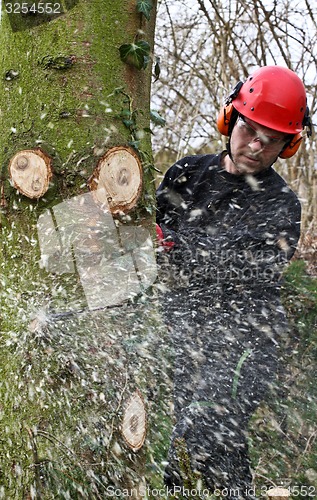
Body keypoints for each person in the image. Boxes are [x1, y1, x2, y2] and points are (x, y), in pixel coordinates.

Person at [156, 66, 312, 498]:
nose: (257, 145)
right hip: (179, 329)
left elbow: (236, 272)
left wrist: (173, 249)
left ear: (288, 145)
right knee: (166, 442)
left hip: (240, 342)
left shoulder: (281, 204)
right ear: (231, 120)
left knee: (208, 435)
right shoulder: (186, 174)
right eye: (250, 129)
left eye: (272, 139)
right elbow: (146, 239)